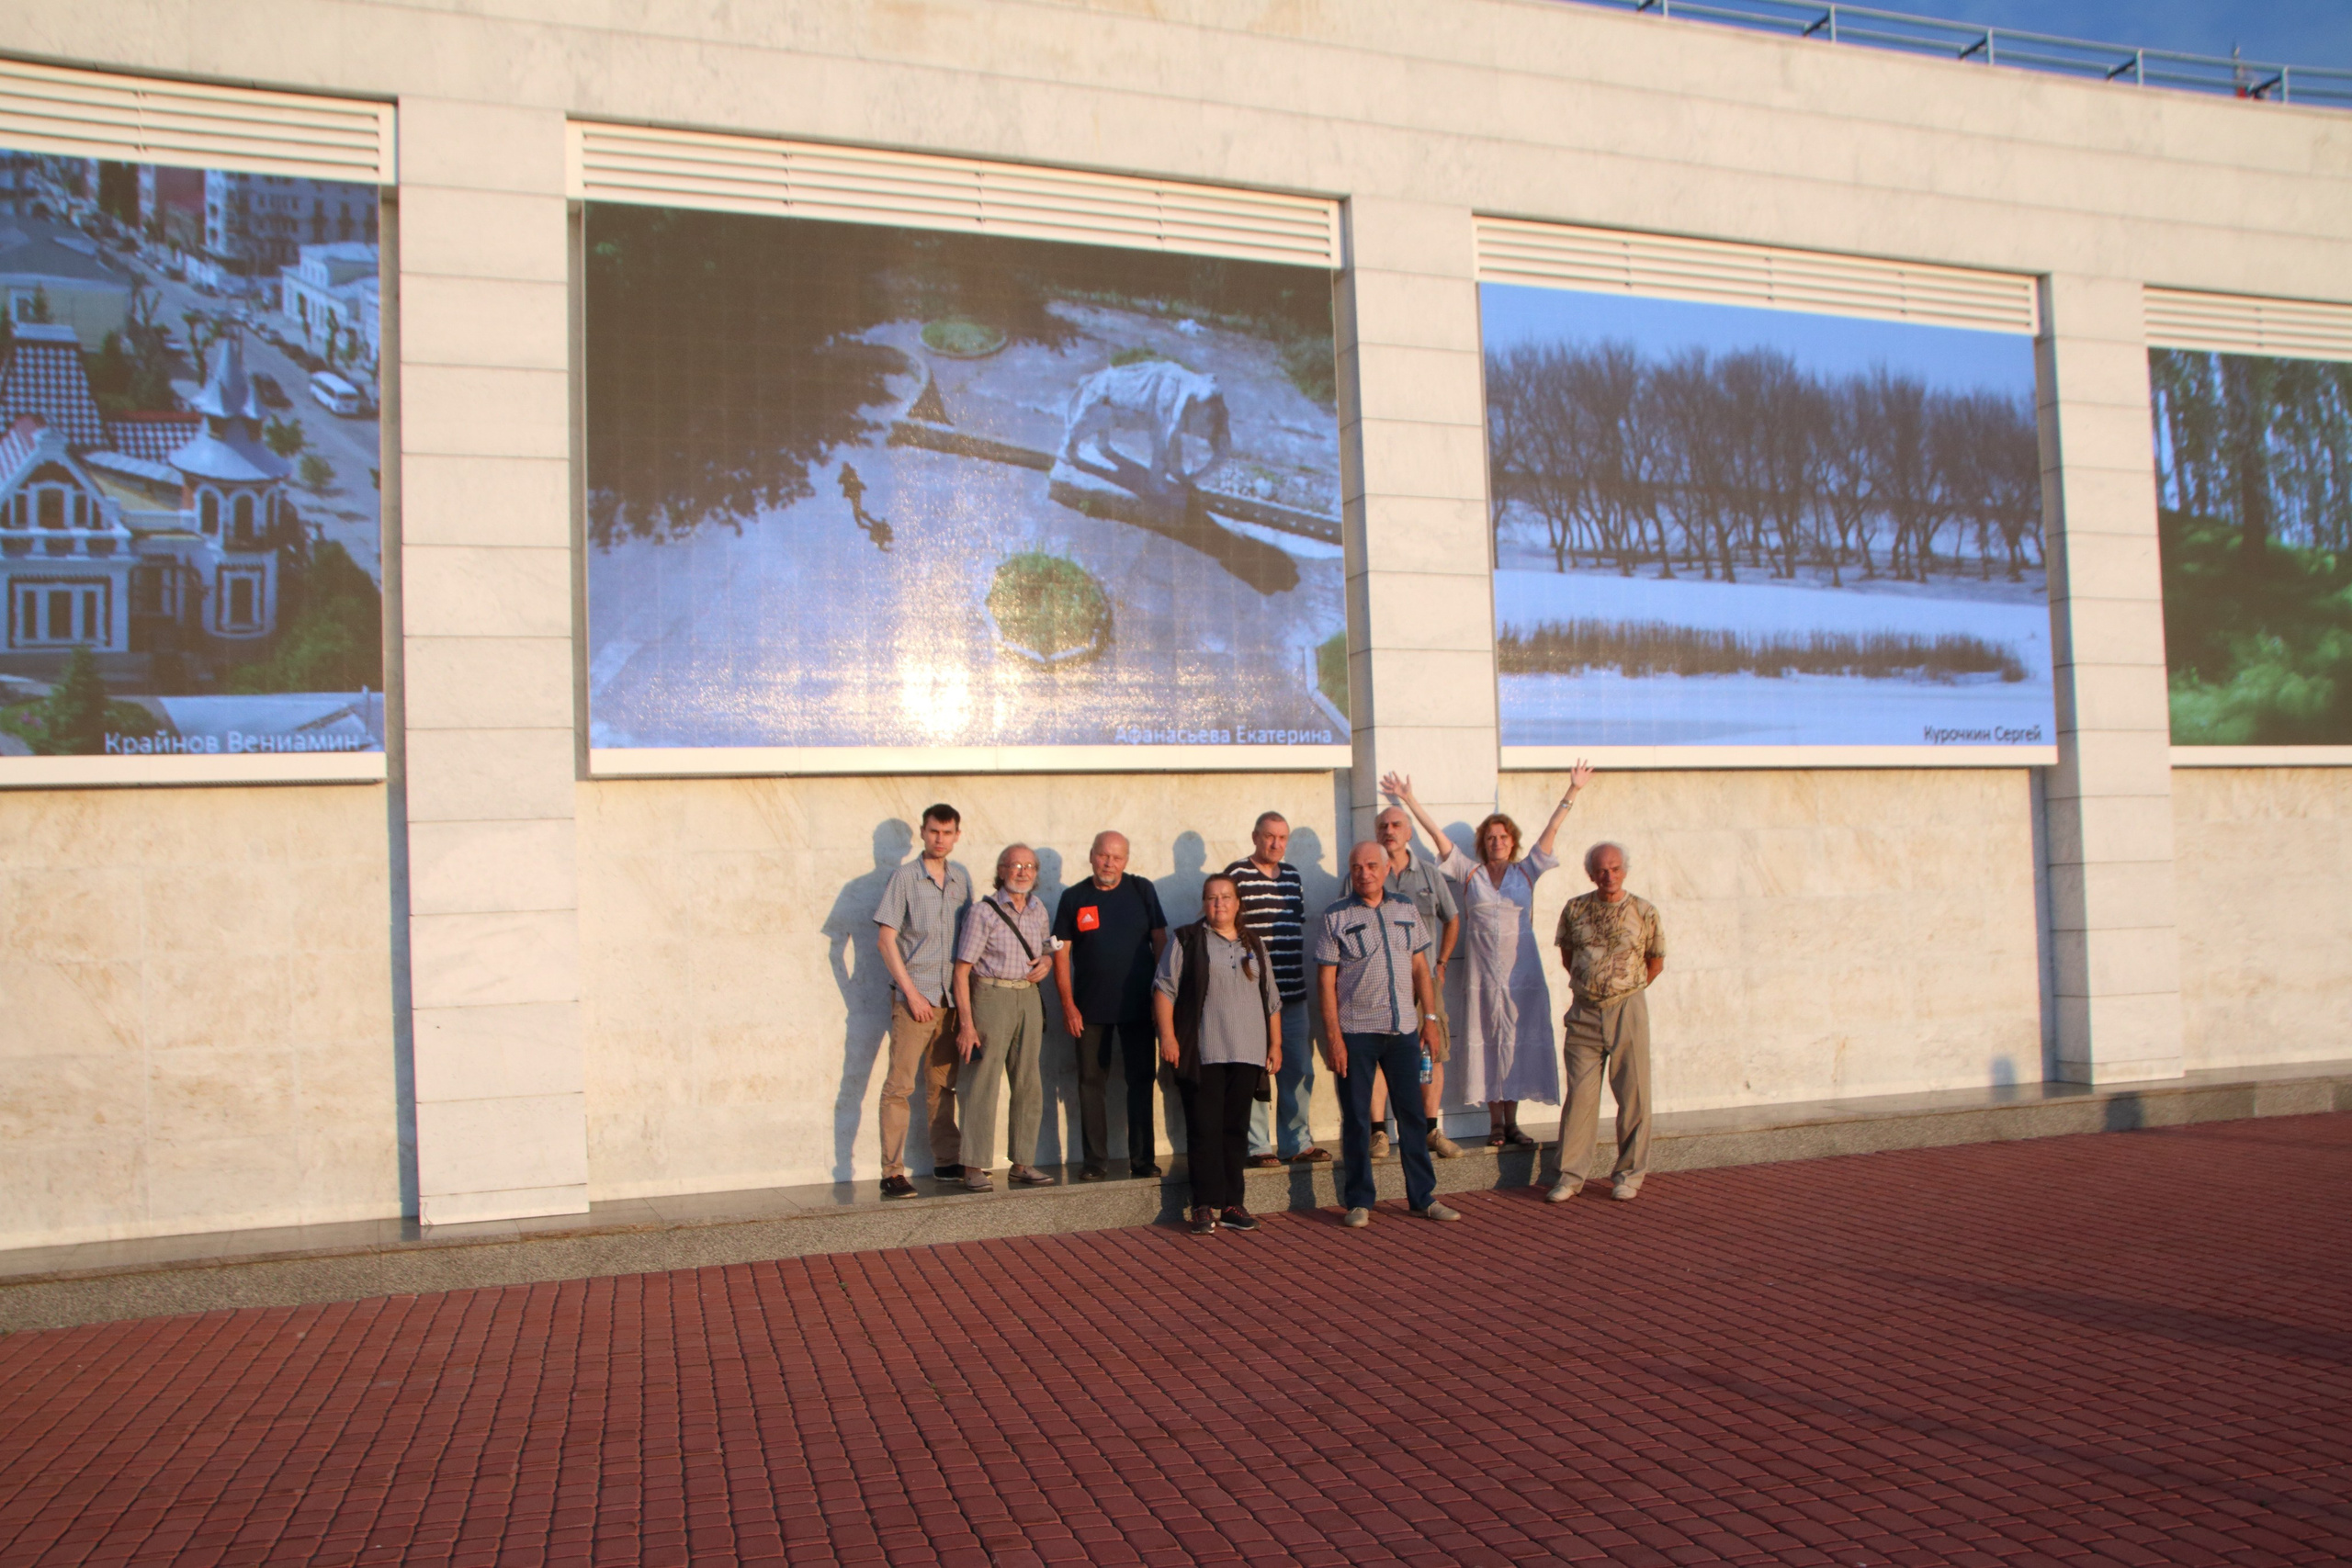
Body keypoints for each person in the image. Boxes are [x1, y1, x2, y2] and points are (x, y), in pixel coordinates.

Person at [1382, 766, 1588, 1149]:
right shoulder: (1469, 872)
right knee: (1489, 1042)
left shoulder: (1527, 872)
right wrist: (1408, 800)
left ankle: (1514, 1122)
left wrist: (1571, 791)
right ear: (1483, 843)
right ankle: (1495, 1124)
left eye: (1503, 837)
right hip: (1481, 976)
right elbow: (1436, 838)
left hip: (1522, 976)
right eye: (1490, 837)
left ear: (1512, 842)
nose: (1497, 842)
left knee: (1517, 1044)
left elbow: (1552, 830)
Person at [1315, 840, 1461, 1228]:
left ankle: (1422, 1198)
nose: (1364, 873)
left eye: (1371, 865)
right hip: (1356, 1033)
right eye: (1357, 866)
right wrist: (1333, 1038)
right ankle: (1359, 1201)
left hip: (1404, 1033)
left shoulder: (1405, 909)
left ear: (1385, 869)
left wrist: (1430, 1020)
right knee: (1359, 1119)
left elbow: (1420, 970)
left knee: (1412, 1116)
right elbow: (1326, 981)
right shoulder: (1335, 917)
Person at [1153, 874, 1283, 1237]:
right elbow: (1164, 990)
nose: (1219, 904)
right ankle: (1202, 1206)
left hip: (1248, 1052)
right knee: (1204, 1129)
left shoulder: (1253, 944)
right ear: (1204, 903)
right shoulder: (1187, 940)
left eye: (1226, 897)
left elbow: (1272, 999)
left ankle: (1231, 1204)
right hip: (1204, 1051)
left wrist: (1275, 1045)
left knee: (1235, 1130)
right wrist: (1168, 1037)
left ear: (1238, 902)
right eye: (1211, 898)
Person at [1550, 840, 1667, 1203]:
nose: (1608, 876)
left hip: (1627, 1008)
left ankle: (1629, 1174)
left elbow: (1655, 961)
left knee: (1632, 1094)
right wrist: (1592, 985)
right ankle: (1570, 1176)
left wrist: (1623, 989)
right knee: (1580, 1097)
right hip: (1584, 1012)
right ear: (1590, 873)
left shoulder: (1644, 911)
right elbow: (1568, 956)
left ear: (1625, 870)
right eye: (1601, 870)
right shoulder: (1575, 909)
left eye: (1615, 869)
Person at [1052, 830, 1170, 1180]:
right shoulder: (1073, 897)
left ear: (1126, 861)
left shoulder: (1142, 890)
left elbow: (1161, 942)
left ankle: (1143, 1160)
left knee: (1141, 1080)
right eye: (1104, 855)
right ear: (1091, 856)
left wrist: (1159, 996)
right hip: (1088, 1010)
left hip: (1139, 1006)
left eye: (1117, 857)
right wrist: (1068, 1005)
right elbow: (1061, 956)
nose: (1109, 863)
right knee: (1090, 1082)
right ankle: (1094, 1162)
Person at [871, 803, 972, 1199]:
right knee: (899, 1087)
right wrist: (911, 993)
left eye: (947, 833)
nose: (940, 839)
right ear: (922, 833)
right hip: (916, 999)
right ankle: (891, 1171)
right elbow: (885, 939)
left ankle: (946, 1160)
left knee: (943, 1086)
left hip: (951, 999)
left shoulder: (962, 879)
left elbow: (971, 938)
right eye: (933, 832)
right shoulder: (905, 878)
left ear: (956, 836)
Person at [1223, 812, 1330, 1168]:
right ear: (1255, 836)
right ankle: (1256, 1147)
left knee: (1298, 1070)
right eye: (1269, 837)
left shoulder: (1294, 876)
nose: (1276, 844)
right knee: (1254, 1072)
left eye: (1282, 838)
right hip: (1252, 995)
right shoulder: (1236, 875)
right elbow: (1226, 928)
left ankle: (1296, 1143)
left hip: (1292, 994)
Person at [950, 844, 1057, 1193]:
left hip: (1027, 996)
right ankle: (973, 1165)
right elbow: (961, 970)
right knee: (982, 1081)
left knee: (1029, 1080)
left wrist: (1048, 962)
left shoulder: (1039, 909)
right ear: (1001, 870)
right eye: (1015, 866)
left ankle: (1023, 1162)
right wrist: (966, 1024)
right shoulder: (983, 912)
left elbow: (1044, 951)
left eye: (1029, 866)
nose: (1023, 872)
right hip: (990, 996)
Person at [1365, 803, 1463, 1161]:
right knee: (1376, 1055)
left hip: (1423, 982)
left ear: (1408, 833)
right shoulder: (1366, 872)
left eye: (1396, 825)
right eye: (1383, 826)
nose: (1389, 831)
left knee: (1431, 1052)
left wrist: (1440, 962)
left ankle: (1430, 1130)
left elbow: (1451, 919)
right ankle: (1379, 1134)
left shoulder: (1429, 874)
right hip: (1376, 984)